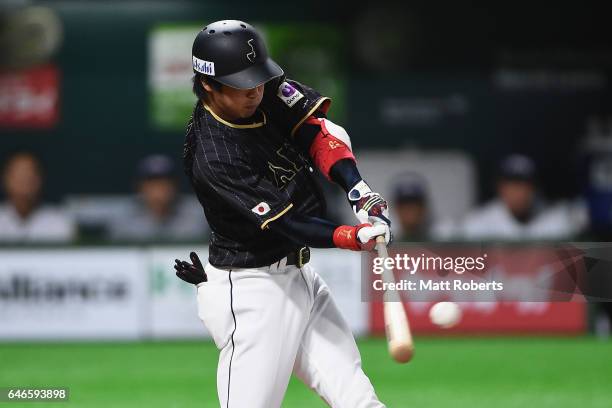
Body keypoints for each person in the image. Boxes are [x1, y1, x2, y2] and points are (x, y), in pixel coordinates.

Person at [173, 20, 390, 408]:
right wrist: (351, 236)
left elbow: (316, 132)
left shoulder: (262, 87)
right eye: (242, 84)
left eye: (258, 79)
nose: (255, 91)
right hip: (254, 290)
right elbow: (288, 222)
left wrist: (358, 190)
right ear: (208, 84)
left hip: (300, 277)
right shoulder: (215, 156)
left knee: (359, 401)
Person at [457, 154, 585, 241]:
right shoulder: (478, 224)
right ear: (501, 188)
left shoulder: (556, 221)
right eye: (513, 185)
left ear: (535, 188)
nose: (520, 193)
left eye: (526, 186)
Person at [107, 154, 208, 241]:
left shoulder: (198, 217)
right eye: (152, 185)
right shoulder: (124, 222)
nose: (158, 191)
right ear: (140, 188)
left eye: (164, 184)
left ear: (175, 186)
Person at [0, 152, 76, 242]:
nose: (24, 183)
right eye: (19, 177)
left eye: (29, 177)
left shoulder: (60, 222)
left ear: (39, 180)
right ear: (5, 179)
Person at [391, 173, 431, 241]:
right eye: (403, 205)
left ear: (423, 208)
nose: (408, 211)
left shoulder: (443, 240)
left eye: (413, 205)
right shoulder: (387, 243)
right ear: (396, 209)